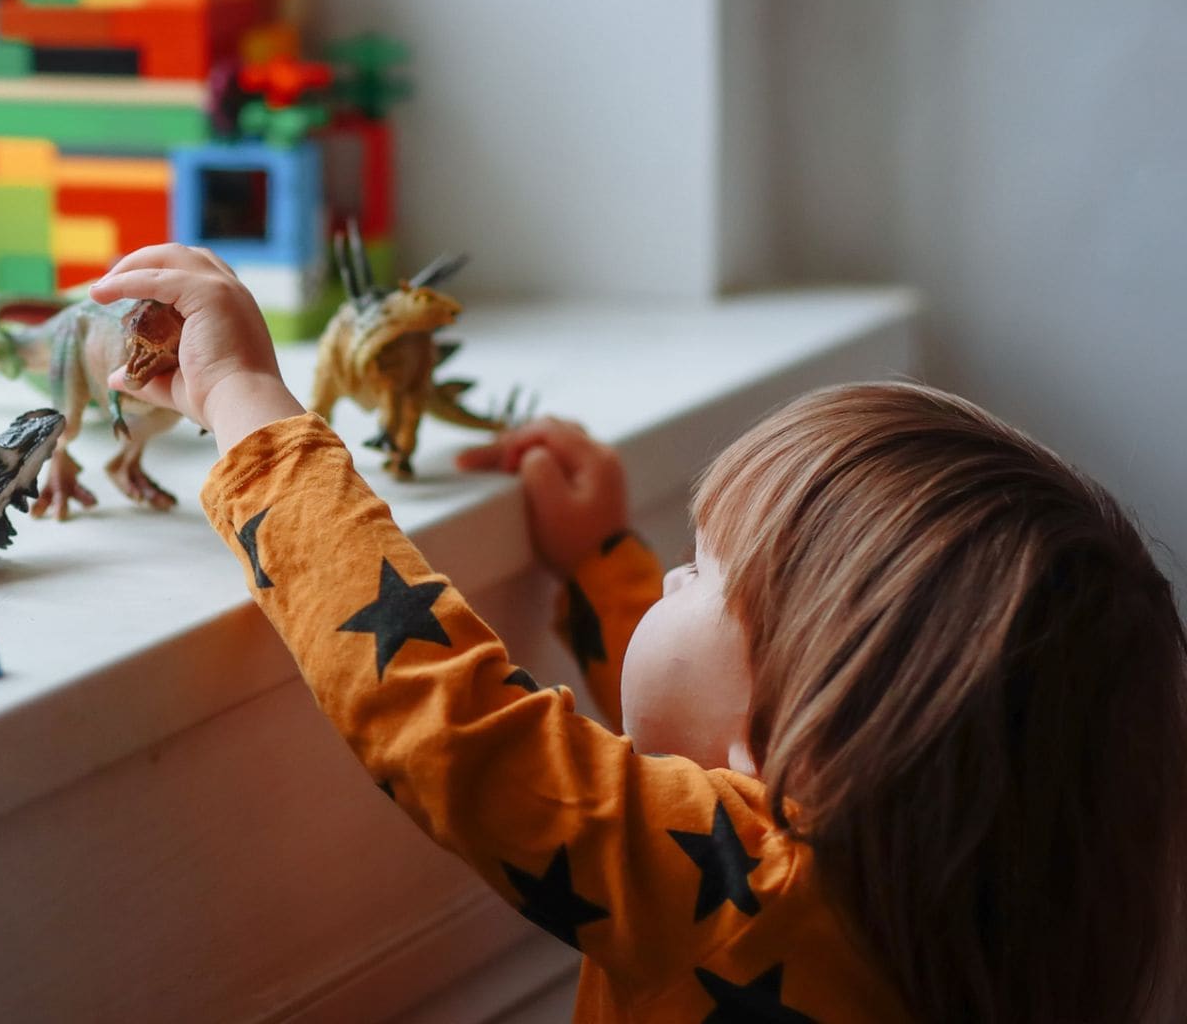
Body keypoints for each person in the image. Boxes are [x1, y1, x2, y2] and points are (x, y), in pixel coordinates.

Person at [88, 244, 1187, 1022]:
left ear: (798, 756)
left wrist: (246, 404)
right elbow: (708, 718)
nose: (668, 573)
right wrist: (604, 567)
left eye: (700, 571)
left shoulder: (754, 895)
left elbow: (450, 722)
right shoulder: (967, 916)